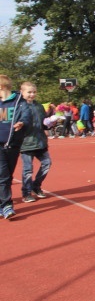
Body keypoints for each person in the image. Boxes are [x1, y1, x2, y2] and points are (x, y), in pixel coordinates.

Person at [0, 75, 29, 219]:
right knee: (3, 175)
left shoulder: (19, 102)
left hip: (13, 144)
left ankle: (1, 203)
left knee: (8, 175)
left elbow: (26, 115)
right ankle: (7, 205)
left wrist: (22, 122)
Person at [19, 82, 52, 203]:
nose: (32, 94)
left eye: (34, 92)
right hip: (25, 143)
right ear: (22, 92)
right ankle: (26, 192)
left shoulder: (39, 106)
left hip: (40, 141)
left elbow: (44, 124)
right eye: (29, 92)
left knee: (47, 163)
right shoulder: (19, 106)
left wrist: (49, 123)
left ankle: (36, 186)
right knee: (28, 169)